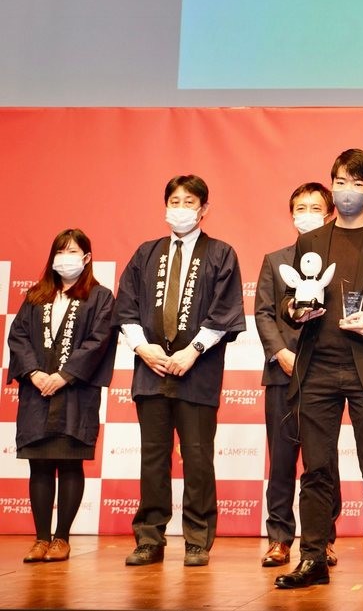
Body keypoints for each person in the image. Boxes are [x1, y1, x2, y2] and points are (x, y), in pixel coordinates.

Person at [274, 149, 363, 594]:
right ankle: (313, 558)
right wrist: (295, 311)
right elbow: (288, 299)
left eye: (357, 183)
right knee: (316, 470)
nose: (347, 191)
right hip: (316, 368)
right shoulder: (311, 241)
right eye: (340, 182)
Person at [119, 175, 245, 567]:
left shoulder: (221, 254)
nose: (180, 209)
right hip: (151, 371)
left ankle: (197, 539)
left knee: (198, 457)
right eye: (174, 201)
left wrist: (193, 351)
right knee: (153, 458)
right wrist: (143, 348)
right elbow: (126, 307)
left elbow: (225, 312)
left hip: (198, 372)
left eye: (189, 202)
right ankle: (150, 538)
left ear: (204, 209)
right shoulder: (146, 253)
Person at [7, 229, 118, 564]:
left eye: (73, 251)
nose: (65, 258)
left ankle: (62, 538)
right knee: (39, 464)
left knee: (70, 463)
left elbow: (99, 340)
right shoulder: (36, 295)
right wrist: (33, 373)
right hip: (36, 392)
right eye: (60, 251)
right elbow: (18, 336)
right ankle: (41, 538)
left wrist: (64, 375)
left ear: (86, 258)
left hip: (75, 393)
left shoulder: (100, 297)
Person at [255, 183, 341, 568]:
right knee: (282, 460)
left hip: (326, 373)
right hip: (283, 373)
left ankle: (323, 538)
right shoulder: (275, 260)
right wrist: (280, 352)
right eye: (300, 208)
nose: (307, 214)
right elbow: (263, 312)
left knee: (324, 460)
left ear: (329, 214)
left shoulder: (341, 262)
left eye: (315, 208)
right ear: (292, 215)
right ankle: (279, 538)